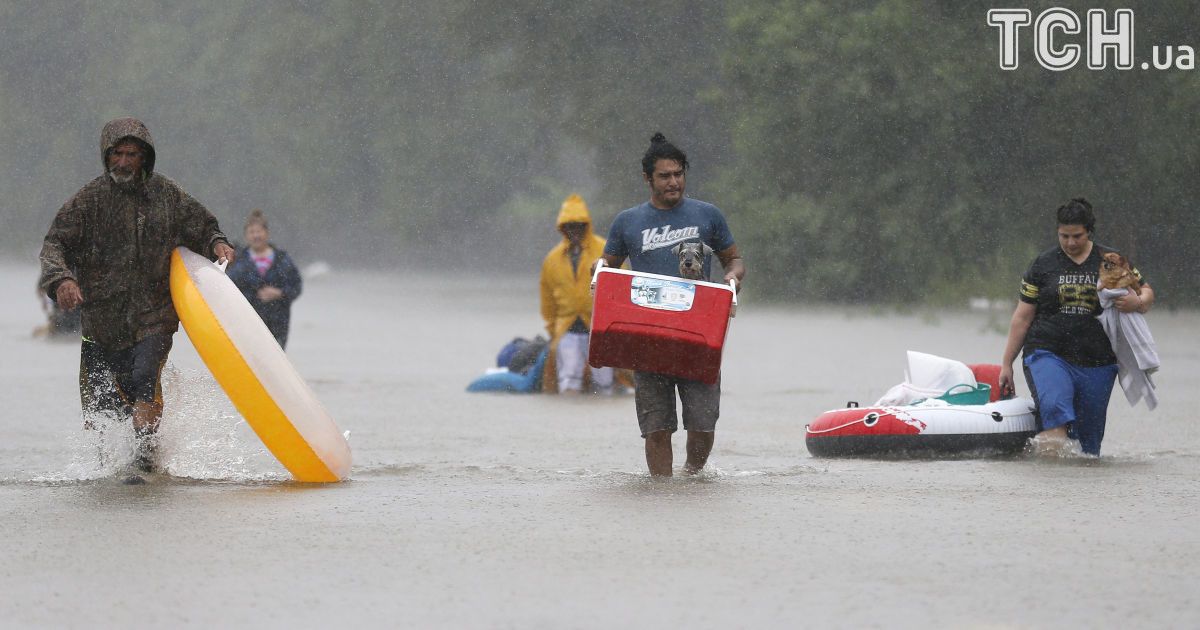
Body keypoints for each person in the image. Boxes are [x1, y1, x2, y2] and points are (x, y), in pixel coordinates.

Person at [39, 117, 236, 472]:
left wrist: (218, 244)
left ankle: (145, 461)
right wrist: (61, 280)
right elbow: (55, 245)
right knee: (102, 409)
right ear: (107, 155)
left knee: (146, 379)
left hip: (154, 315)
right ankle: (111, 470)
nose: (124, 162)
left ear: (145, 157)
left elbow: (203, 227)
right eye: (118, 153)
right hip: (101, 320)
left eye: (132, 154)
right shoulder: (88, 201)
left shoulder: (167, 195)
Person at [600, 133, 746, 476]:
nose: (674, 182)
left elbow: (734, 259)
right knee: (657, 427)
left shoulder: (708, 215)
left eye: (679, 174)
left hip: (697, 336)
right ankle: (663, 492)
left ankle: (691, 478)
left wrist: (732, 279)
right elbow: (606, 270)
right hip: (646, 338)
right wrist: (600, 279)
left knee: (702, 424)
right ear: (647, 178)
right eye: (665, 176)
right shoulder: (627, 221)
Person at [998, 198, 1154, 456]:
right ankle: (1048, 490)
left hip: (1098, 361)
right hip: (1047, 352)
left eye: (1077, 236)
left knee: (1088, 449)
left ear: (1089, 232)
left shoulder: (1110, 261)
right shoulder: (1043, 265)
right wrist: (1006, 363)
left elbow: (1147, 293)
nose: (1070, 242)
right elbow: (1022, 317)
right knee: (1056, 413)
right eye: (1064, 236)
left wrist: (1138, 301)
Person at [539, 194, 615, 395]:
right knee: (569, 381)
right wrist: (552, 330)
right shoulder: (552, 259)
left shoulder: (604, 250)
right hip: (567, 329)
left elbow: (620, 288)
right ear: (562, 227)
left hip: (600, 329)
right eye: (569, 226)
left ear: (586, 225)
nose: (574, 230)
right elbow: (547, 300)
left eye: (579, 225)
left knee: (604, 384)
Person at [227, 209, 303, 349]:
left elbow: (296, 286)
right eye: (252, 232)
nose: (256, 236)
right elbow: (227, 290)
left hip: (277, 324)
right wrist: (254, 295)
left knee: (273, 366)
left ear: (266, 233)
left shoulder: (282, 259)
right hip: (246, 323)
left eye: (259, 231)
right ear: (246, 236)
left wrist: (279, 293)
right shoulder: (237, 260)